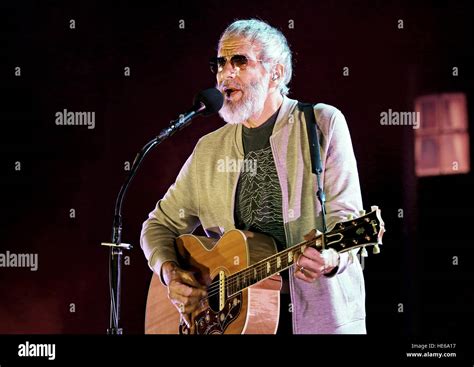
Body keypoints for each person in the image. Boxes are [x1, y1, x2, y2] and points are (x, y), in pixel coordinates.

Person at [140, 19, 366, 334]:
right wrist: (170, 273)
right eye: (220, 63)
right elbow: (157, 226)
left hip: (320, 320)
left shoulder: (321, 123)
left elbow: (349, 218)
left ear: (277, 73)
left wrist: (331, 257)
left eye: (239, 61)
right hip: (240, 324)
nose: (225, 74)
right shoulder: (209, 149)